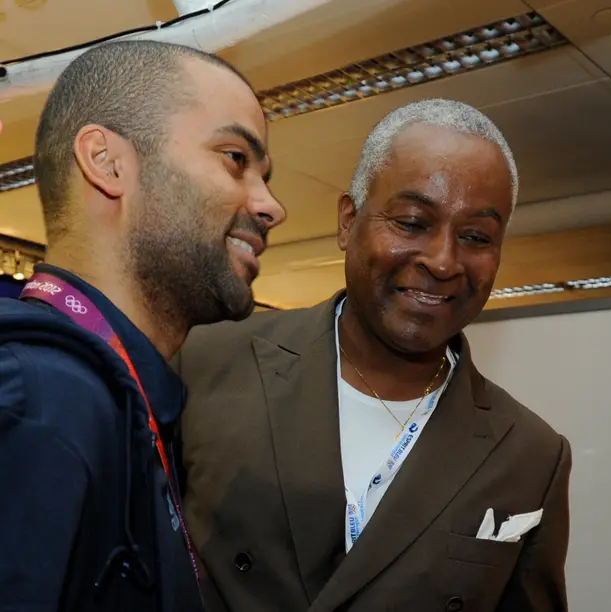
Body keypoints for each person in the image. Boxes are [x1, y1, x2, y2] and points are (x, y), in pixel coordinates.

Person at [175, 98, 571, 612]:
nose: (443, 261)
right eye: (411, 222)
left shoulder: (531, 456)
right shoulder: (206, 361)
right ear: (348, 221)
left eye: (476, 236)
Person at [0, 40, 284, 612]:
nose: (271, 205)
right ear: (107, 163)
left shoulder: (113, 399)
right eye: (234, 158)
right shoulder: (41, 402)